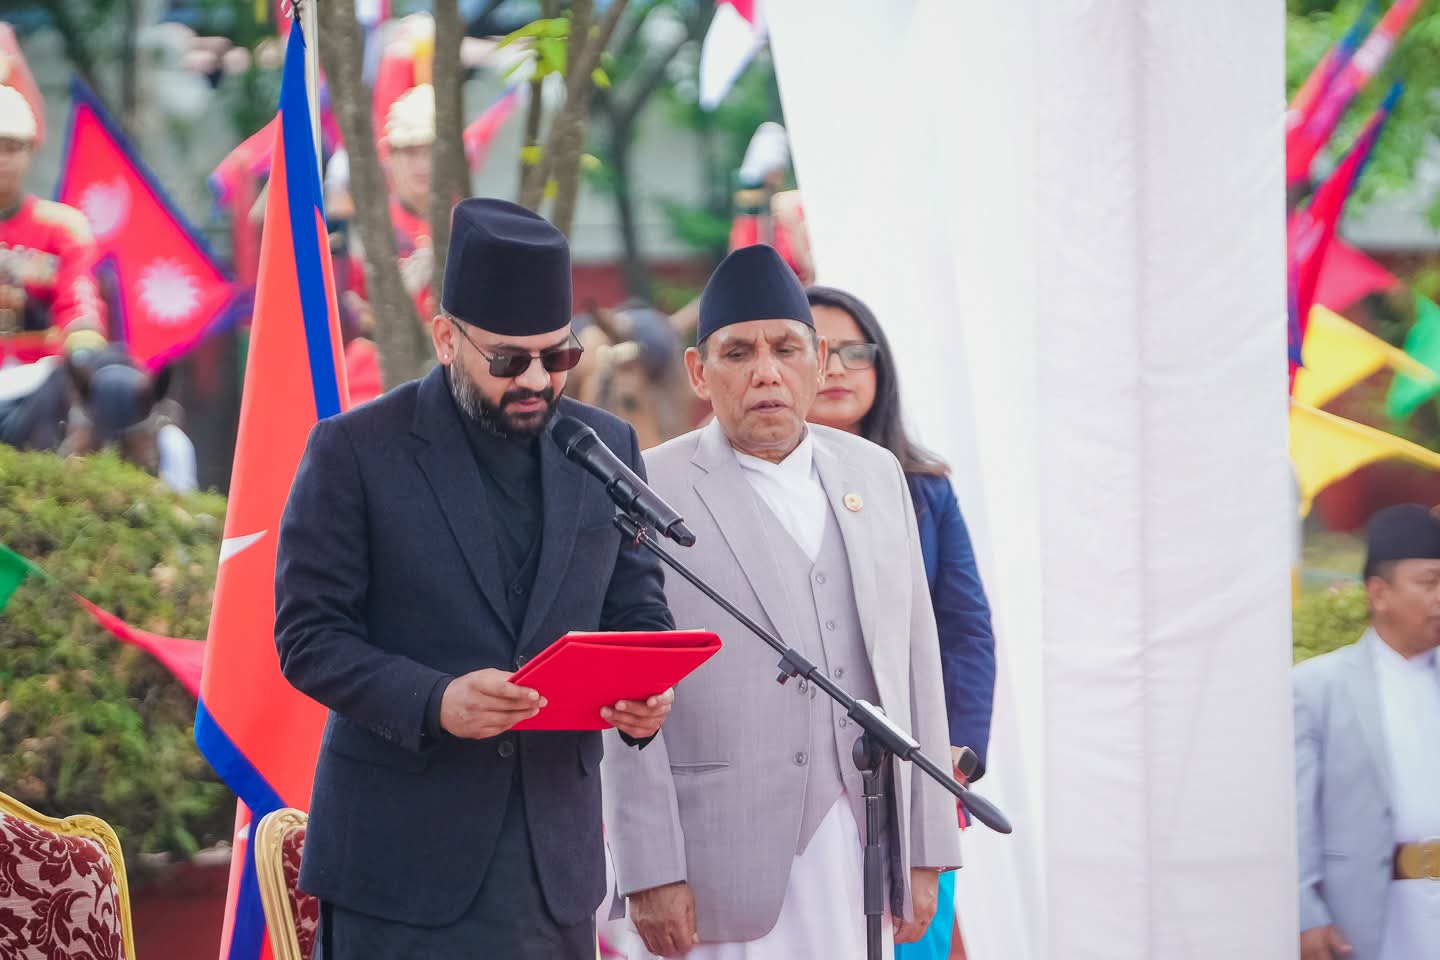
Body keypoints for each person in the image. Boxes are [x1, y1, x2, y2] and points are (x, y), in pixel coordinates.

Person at [274, 198, 676, 959]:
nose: (536, 380)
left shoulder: (605, 446)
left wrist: (644, 692)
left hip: (551, 865)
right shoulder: (356, 450)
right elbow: (308, 637)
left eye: (557, 358)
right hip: (399, 867)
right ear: (447, 339)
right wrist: (436, 701)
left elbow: (637, 606)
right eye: (508, 360)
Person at [603, 244, 962, 958]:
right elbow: (627, 695)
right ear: (700, 373)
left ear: (820, 362)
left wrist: (929, 847)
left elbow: (917, 661)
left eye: (785, 348)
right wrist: (650, 868)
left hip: (862, 838)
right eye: (738, 352)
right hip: (718, 862)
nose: (766, 371)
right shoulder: (648, 486)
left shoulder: (875, 473)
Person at [805, 284, 996, 959]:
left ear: (881, 369)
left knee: (919, 937)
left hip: (915, 769)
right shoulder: (759, 491)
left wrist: (957, 759)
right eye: (817, 351)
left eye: (853, 352)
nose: (834, 369)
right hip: (805, 779)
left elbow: (966, 630)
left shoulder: (925, 487)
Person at [1294, 504, 1440, 960]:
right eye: (1430, 583)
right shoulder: (1318, 687)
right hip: (1365, 915)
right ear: (1379, 593)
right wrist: (1305, 915)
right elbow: (1294, 814)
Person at [0, 85, 106, 359]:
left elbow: (78, 296)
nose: (2, 160)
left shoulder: (63, 227)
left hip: (42, 377)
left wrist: (83, 337)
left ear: (31, 151)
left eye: (12, 148)